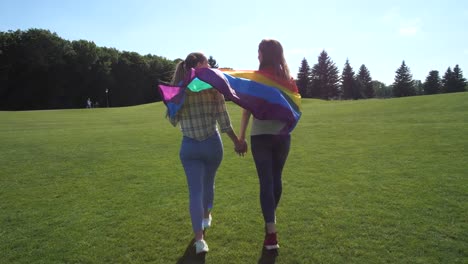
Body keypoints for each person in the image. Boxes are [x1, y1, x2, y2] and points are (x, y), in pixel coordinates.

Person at [168, 52, 246, 254]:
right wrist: (237, 141)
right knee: (208, 183)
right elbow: (224, 121)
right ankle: (205, 217)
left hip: (189, 147)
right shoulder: (213, 87)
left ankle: (199, 241)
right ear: (200, 65)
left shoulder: (178, 90)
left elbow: (173, 120)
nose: (210, 66)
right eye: (207, 63)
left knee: (195, 192)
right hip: (212, 144)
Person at [238, 39, 299, 250]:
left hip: (261, 136)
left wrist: (241, 136)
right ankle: (271, 225)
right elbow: (295, 108)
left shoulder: (256, 80)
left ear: (264, 54)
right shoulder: (288, 80)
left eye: (258, 52)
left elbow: (246, 109)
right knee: (275, 179)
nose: (257, 56)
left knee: (266, 181)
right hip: (282, 136)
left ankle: (271, 230)